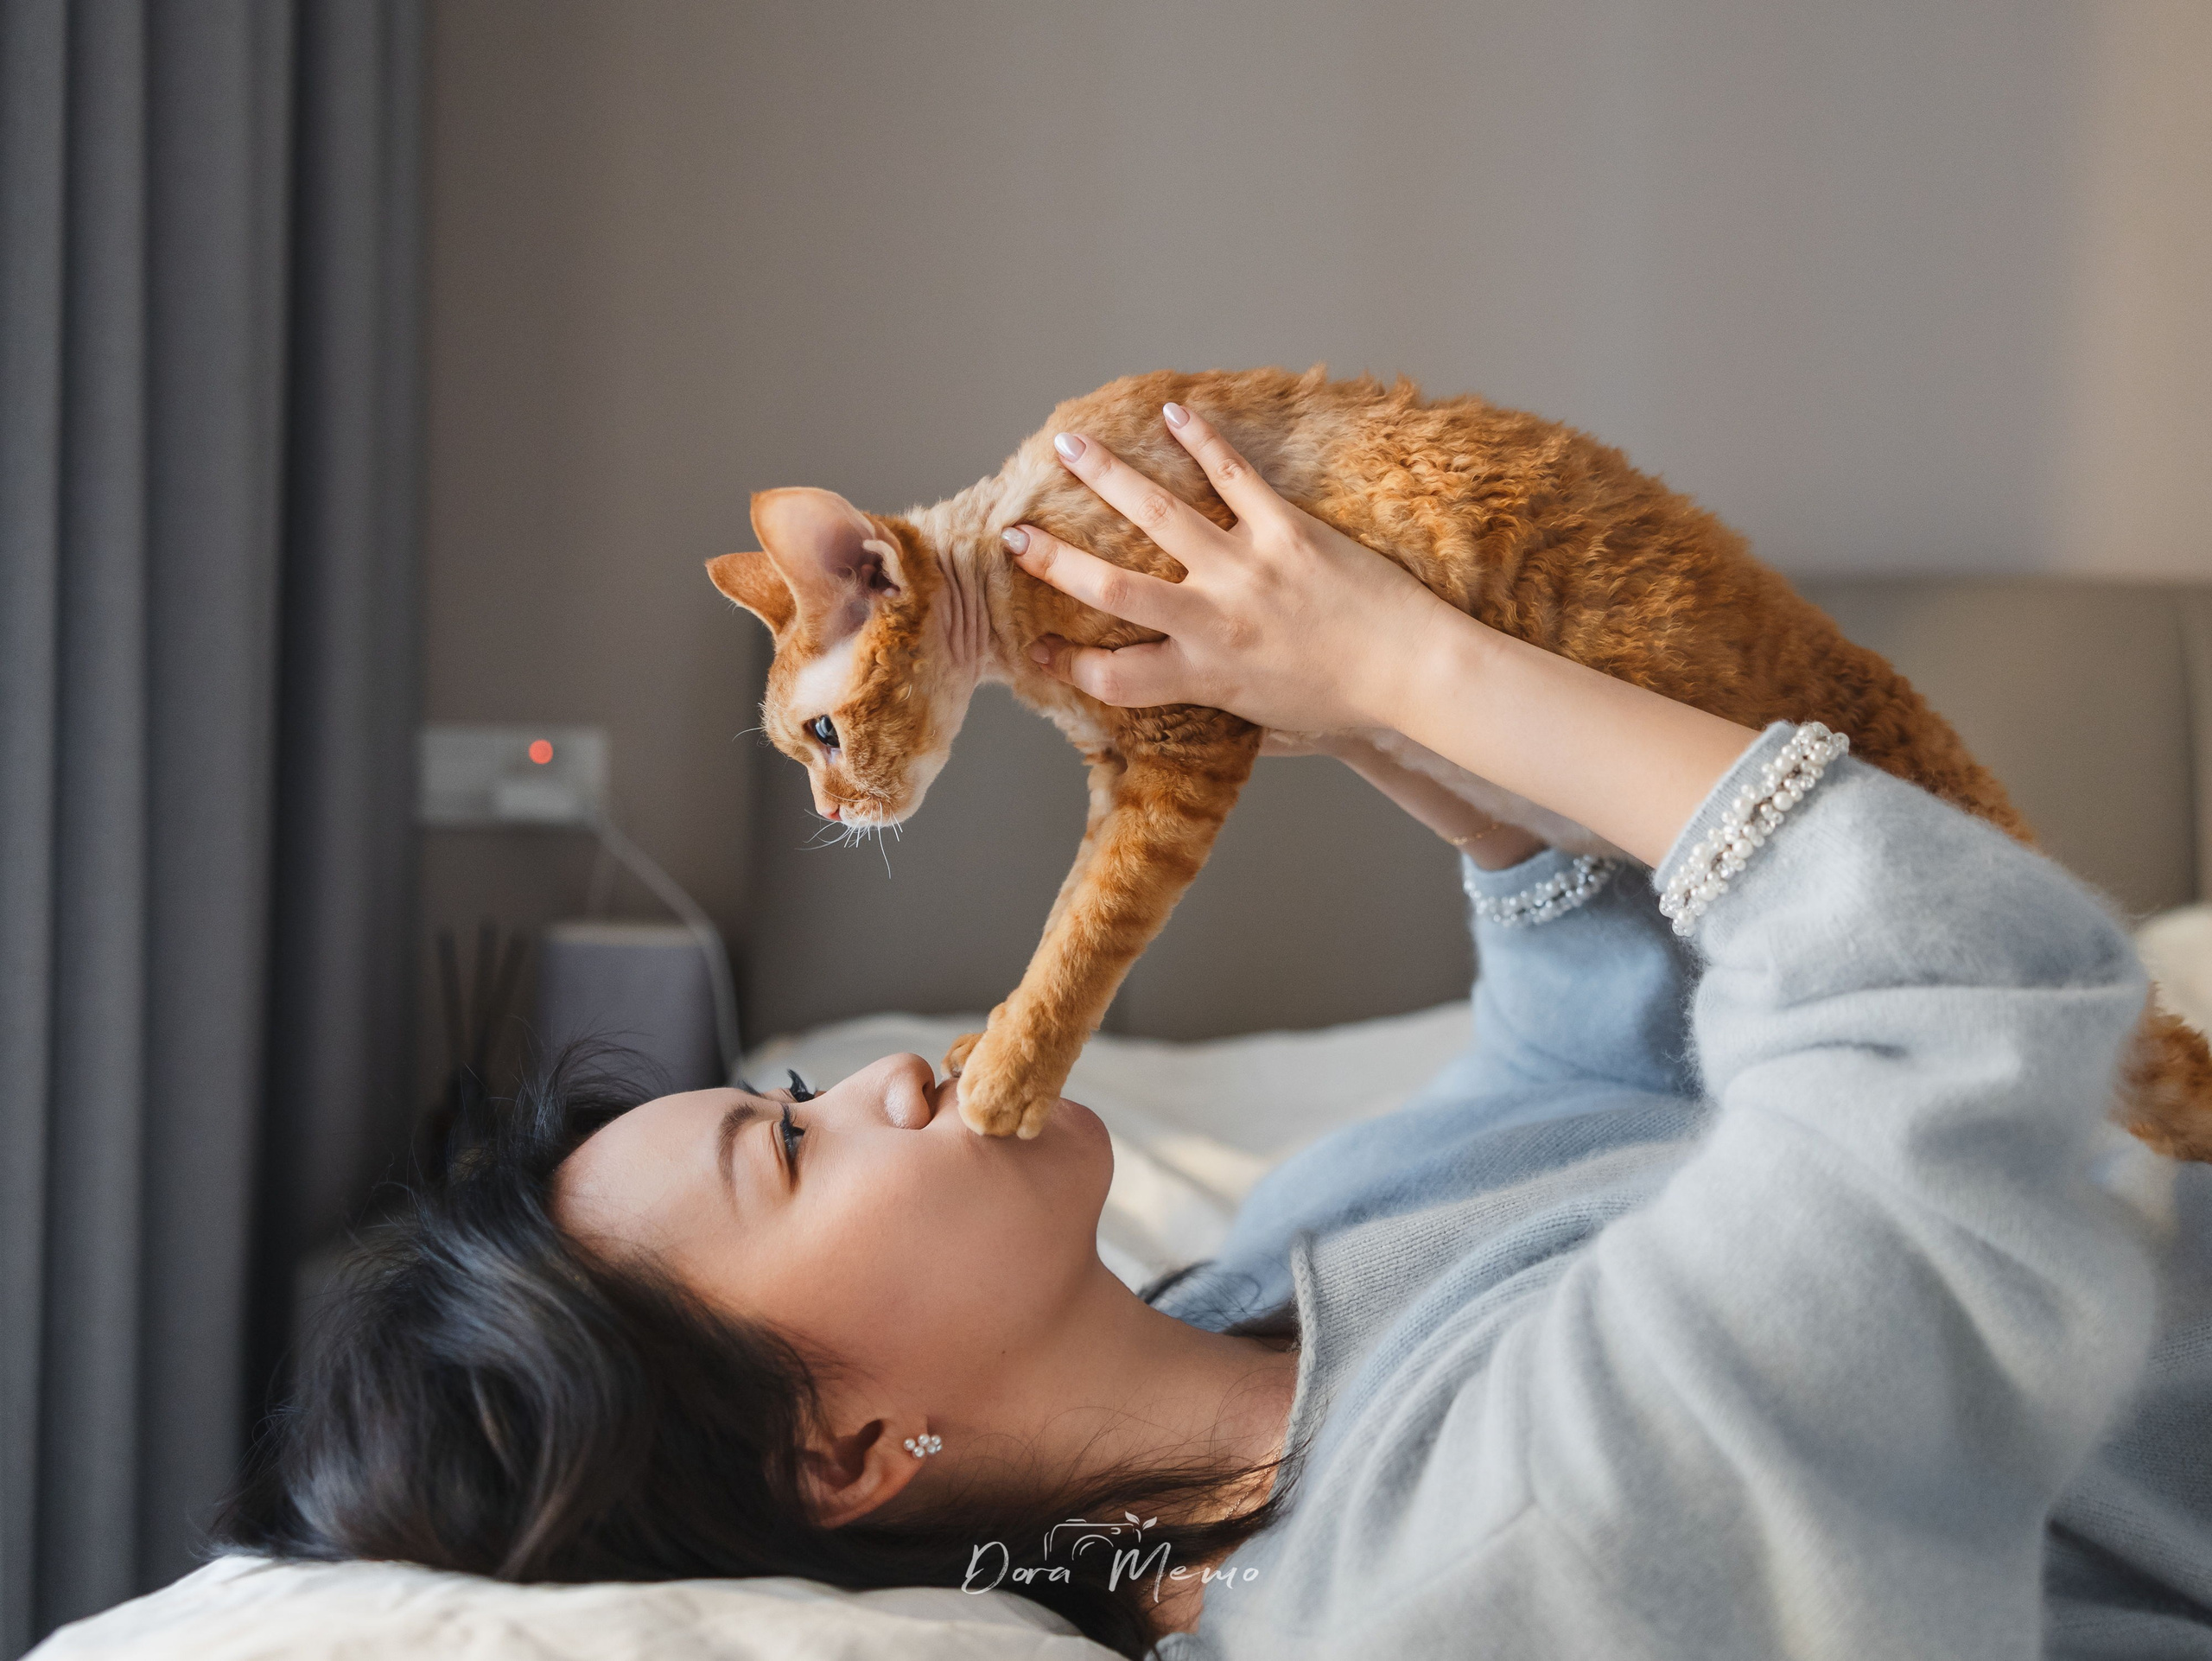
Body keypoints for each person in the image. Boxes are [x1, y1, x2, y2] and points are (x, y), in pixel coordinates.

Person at [219, 407, 2212, 1659]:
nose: (892, 1080)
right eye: (799, 1148)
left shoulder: (1242, 1284)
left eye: (804, 1085)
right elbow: (1953, 1013)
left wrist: (1365, 724)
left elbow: (1594, 1058)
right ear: (833, 1451)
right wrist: (1427, 658)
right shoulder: (1459, 1564)